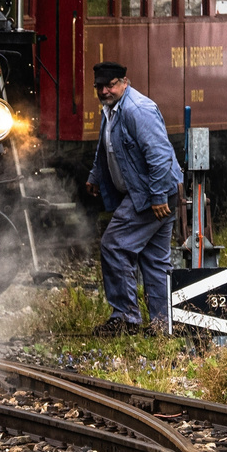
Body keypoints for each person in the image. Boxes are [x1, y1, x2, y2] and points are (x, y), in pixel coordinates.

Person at [84, 61, 184, 336]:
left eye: (111, 85)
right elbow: (107, 146)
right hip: (152, 192)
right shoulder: (112, 109)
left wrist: (159, 195)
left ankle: (126, 319)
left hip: (152, 194)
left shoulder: (137, 110)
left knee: (114, 245)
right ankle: (163, 326)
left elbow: (160, 156)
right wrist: (95, 175)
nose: (105, 90)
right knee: (154, 260)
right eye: (99, 87)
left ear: (124, 81)